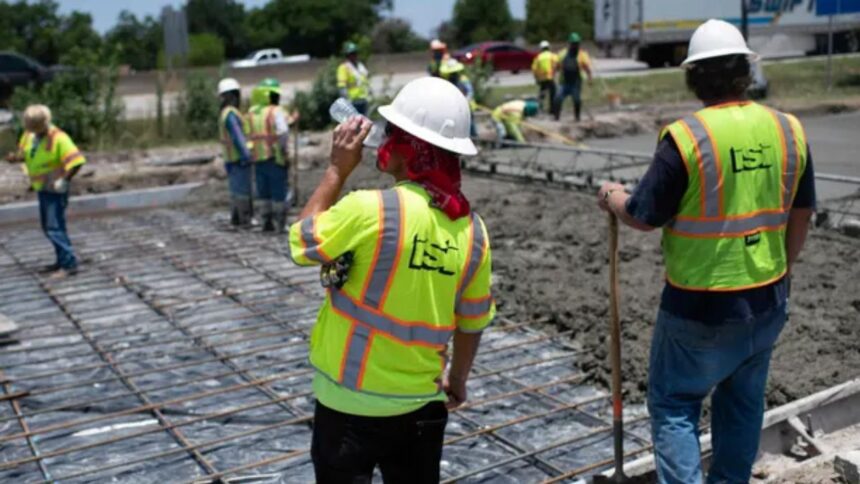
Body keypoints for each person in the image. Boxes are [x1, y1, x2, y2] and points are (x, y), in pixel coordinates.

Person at [597, 19, 815, 484]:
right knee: (742, 403)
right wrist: (783, 270)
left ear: (694, 77)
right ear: (745, 72)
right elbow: (802, 212)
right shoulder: (787, 128)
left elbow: (642, 213)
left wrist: (612, 196)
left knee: (675, 404)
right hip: (767, 298)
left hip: (699, 307)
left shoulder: (687, 137)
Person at [288, 77, 495, 483]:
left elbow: (301, 242)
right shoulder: (472, 231)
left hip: (348, 409)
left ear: (408, 149)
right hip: (422, 409)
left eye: (394, 134)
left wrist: (335, 170)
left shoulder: (370, 210)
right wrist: (457, 381)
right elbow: (472, 320)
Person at [4, 105, 86, 278]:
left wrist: (65, 180)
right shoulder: (29, 135)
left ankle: (69, 264)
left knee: (54, 227)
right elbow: (27, 154)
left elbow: (77, 160)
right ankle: (61, 261)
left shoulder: (59, 138)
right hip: (42, 188)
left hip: (55, 188)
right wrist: (15, 158)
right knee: (49, 227)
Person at [247, 78, 296, 233]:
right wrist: (284, 151)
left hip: (258, 159)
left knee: (263, 192)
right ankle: (280, 224)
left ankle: (266, 222)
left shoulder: (253, 112)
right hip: (275, 158)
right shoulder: (276, 111)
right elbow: (282, 132)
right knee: (278, 192)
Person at [217, 78, 254, 228]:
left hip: (230, 159)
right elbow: (238, 137)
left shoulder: (224, 113)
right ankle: (243, 219)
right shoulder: (231, 114)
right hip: (239, 159)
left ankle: (236, 218)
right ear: (233, 96)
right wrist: (247, 155)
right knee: (242, 190)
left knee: (235, 190)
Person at [554, 32, 593, 122]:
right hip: (564, 82)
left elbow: (587, 68)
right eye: (573, 43)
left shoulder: (582, 55)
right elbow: (556, 66)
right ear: (569, 43)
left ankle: (577, 117)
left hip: (576, 82)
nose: (575, 45)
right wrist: (553, 76)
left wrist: (590, 79)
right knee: (558, 98)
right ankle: (556, 116)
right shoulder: (562, 54)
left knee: (577, 100)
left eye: (577, 43)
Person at [439, 59, 478, 137]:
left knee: (470, 123)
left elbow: (470, 92)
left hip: (467, 106)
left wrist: (465, 101)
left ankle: (475, 139)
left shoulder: (463, 79)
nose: (453, 74)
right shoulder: (448, 81)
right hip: (454, 107)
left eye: (454, 73)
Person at [337, 42, 371, 116]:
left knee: (364, 123)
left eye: (355, 53)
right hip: (352, 101)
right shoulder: (343, 67)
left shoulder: (360, 67)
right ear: (347, 55)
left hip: (363, 99)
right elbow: (342, 86)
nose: (354, 56)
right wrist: (346, 101)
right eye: (352, 54)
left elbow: (365, 81)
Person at [532, 40, 559, 113]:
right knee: (552, 93)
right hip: (550, 77)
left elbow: (534, 69)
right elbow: (556, 64)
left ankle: (538, 108)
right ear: (548, 47)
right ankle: (552, 109)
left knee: (542, 94)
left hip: (542, 79)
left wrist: (536, 78)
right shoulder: (552, 55)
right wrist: (554, 73)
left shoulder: (538, 57)